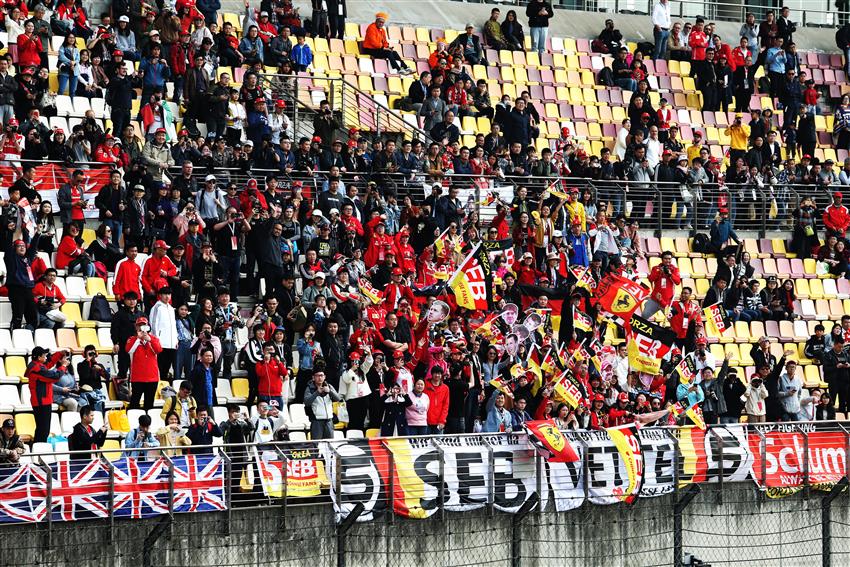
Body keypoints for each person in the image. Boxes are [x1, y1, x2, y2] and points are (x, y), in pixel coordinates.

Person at [126, 316, 163, 411]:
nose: (142, 328)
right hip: (137, 378)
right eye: (139, 325)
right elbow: (129, 350)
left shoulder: (154, 339)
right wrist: (138, 339)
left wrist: (150, 339)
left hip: (152, 378)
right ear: (136, 327)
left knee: (149, 403)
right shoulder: (132, 339)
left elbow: (158, 350)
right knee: (134, 403)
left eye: (144, 325)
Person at [304, 369, 342, 439]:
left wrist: (330, 391)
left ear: (324, 377)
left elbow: (338, 399)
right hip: (316, 421)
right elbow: (307, 402)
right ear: (313, 377)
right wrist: (316, 393)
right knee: (316, 445)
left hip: (329, 420)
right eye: (317, 376)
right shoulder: (310, 388)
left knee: (330, 444)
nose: (320, 378)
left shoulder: (329, 386)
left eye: (321, 375)